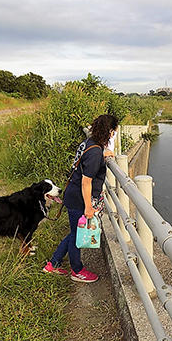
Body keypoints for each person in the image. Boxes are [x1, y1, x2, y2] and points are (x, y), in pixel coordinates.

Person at [43, 114, 118, 282]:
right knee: (77, 235)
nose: (114, 135)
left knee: (74, 233)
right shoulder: (95, 153)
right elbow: (86, 182)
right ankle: (77, 271)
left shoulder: (90, 143)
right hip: (80, 197)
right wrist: (88, 207)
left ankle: (53, 264)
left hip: (74, 193)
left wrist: (104, 153)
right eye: (114, 132)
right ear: (110, 131)